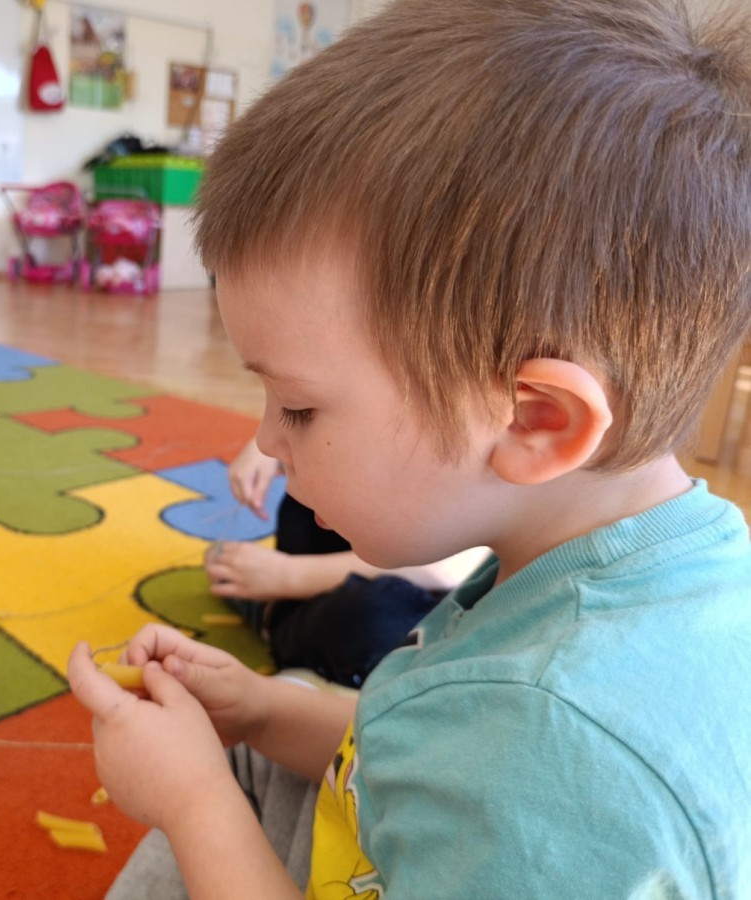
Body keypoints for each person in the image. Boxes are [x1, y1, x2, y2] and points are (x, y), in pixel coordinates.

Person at [67, 0, 751, 896]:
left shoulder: (552, 756)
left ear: (536, 421)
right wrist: (265, 709)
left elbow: (489, 762)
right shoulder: (630, 556)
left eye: (299, 407)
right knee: (267, 725)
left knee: (208, 787)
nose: (268, 438)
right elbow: (421, 751)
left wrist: (191, 803)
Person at [209, 438, 487, 688]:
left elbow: (450, 567)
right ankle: (266, 596)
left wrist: (287, 575)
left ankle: (270, 607)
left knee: (380, 619)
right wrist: (270, 444)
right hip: (344, 592)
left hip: (429, 617)